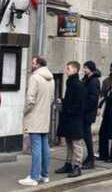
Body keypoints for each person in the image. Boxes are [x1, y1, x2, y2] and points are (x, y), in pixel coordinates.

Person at [19, 56, 55, 187]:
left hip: (34, 117)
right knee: (45, 147)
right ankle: (44, 175)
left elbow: (30, 100)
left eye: (33, 63)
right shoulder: (51, 79)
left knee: (36, 148)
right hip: (45, 117)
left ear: (38, 64)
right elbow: (51, 99)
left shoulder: (34, 77)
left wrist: (24, 112)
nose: (31, 65)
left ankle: (34, 176)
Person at [56, 61, 86, 178]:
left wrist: (68, 109)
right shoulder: (70, 83)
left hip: (75, 118)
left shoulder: (78, 84)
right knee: (69, 142)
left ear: (74, 70)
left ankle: (77, 166)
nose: (66, 70)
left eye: (68, 68)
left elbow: (79, 104)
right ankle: (68, 164)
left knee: (76, 143)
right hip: (68, 117)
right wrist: (62, 101)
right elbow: (70, 99)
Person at [81, 61, 101, 169]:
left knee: (87, 135)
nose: (84, 70)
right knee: (85, 135)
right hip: (85, 111)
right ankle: (89, 157)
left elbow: (93, 98)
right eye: (84, 68)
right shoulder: (86, 79)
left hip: (88, 112)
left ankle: (91, 158)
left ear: (91, 69)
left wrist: (85, 108)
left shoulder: (94, 81)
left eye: (86, 68)